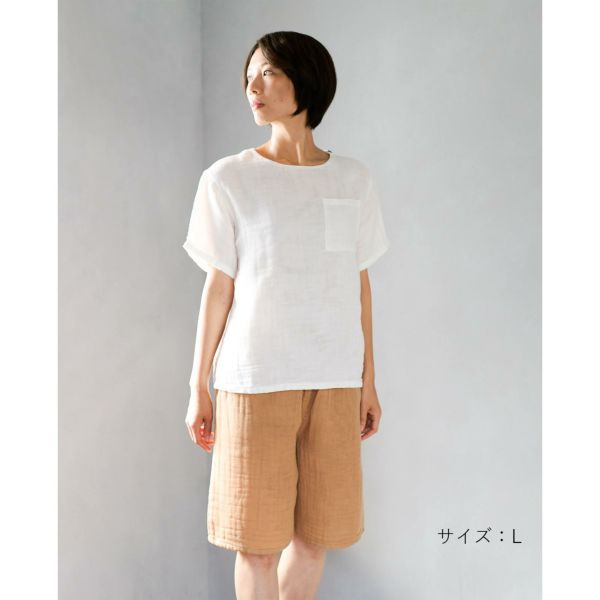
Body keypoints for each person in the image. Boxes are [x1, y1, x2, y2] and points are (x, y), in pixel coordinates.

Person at [183, 31, 390, 600]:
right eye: (250, 74)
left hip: (335, 380)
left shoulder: (352, 179)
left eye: (269, 72)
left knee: (317, 538)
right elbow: (218, 287)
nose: (253, 85)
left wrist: (368, 381)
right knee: (255, 545)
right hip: (255, 380)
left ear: (307, 80)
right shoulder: (228, 179)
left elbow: (359, 284)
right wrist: (198, 385)